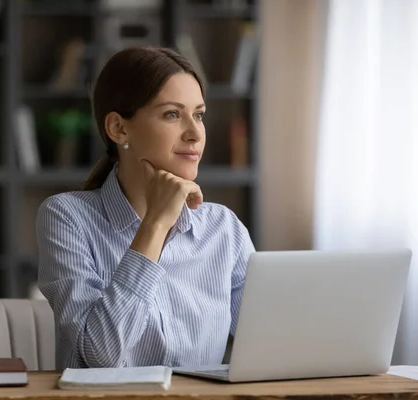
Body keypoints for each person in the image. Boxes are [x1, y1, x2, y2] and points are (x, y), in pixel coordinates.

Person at [36, 46, 255, 369]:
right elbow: (100, 355)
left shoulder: (224, 228)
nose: (195, 134)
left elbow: (273, 343)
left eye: (198, 115)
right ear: (119, 129)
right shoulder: (66, 217)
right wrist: (155, 224)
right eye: (172, 114)